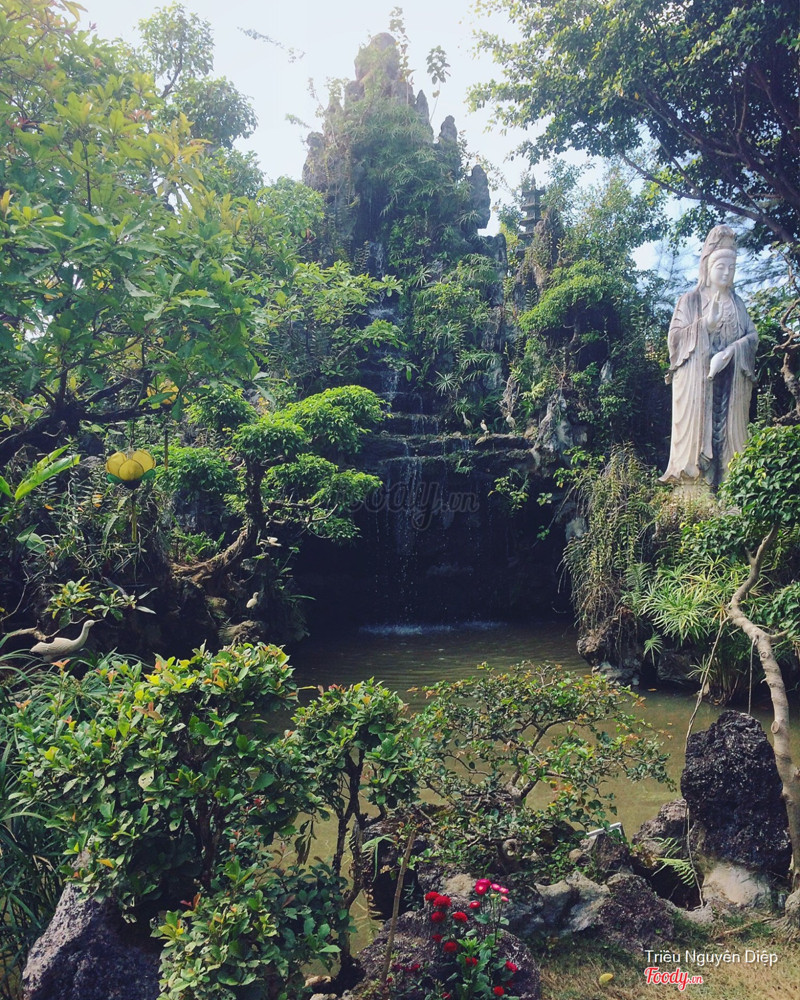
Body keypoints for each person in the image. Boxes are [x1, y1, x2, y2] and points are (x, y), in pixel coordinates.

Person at [660, 225, 758, 487]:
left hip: (730, 381)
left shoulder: (738, 304)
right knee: (697, 437)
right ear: (707, 266)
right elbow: (675, 341)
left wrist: (731, 351)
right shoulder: (690, 300)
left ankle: (731, 483)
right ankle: (695, 484)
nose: (726, 273)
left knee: (730, 439)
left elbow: (752, 337)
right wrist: (705, 325)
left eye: (731, 268)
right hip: (699, 383)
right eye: (720, 266)